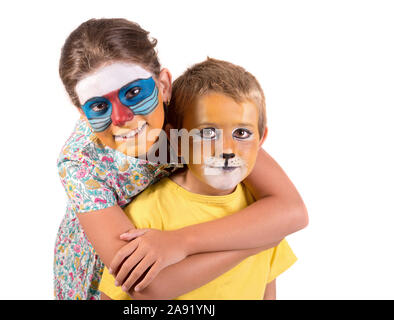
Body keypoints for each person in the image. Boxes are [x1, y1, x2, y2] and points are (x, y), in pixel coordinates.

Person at [55, 18, 308, 300]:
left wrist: (181, 242)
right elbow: (147, 286)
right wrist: (259, 241)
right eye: (99, 106)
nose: (122, 118)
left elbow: (292, 211)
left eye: (134, 93)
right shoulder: (80, 163)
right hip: (113, 276)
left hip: (184, 240)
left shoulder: (188, 112)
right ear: (82, 113)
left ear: (164, 86)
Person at [99, 58, 297, 300]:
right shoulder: (146, 215)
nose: (227, 149)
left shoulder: (261, 213)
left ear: (261, 139)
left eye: (242, 133)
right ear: (177, 139)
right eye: (208, 133)